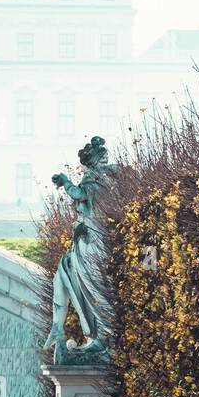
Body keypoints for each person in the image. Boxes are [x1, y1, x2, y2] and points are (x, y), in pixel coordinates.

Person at [44, 137, 116, 363]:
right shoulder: (111, 179)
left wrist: (65, 181)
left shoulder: (95, 178)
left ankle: (104, 336)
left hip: (92, 240)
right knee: (75, 275)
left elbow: (78, 194)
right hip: (90, 239)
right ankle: (95, 334)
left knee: (94, 287)